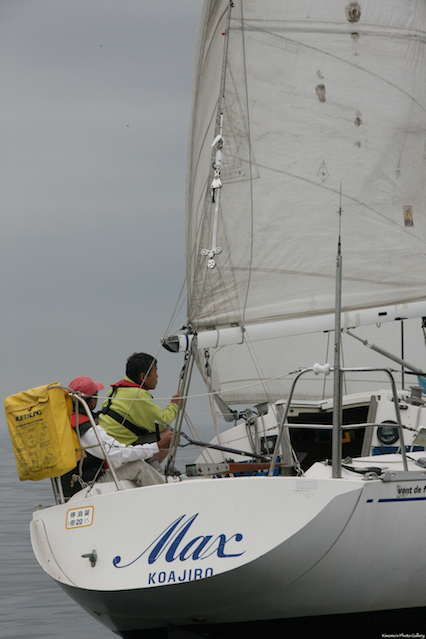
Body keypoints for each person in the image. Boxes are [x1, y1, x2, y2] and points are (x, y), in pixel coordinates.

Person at [60, 376, 172, 499]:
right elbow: (119, 453)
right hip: (87, 484)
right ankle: (167, 498)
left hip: (70, 486)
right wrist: (157, 446)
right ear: (92, 401)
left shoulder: (66, 423)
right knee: (139, 466)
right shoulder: (88, 430)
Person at [97, 353, 180, 454]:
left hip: (105, 443)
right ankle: (148, 463)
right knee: (170, 435)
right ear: (143, 377)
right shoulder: (138, 395)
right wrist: (174, 405)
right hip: (123, 446)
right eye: (155, 372)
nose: (157, 376)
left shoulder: (115, 390)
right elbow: (161, 423)